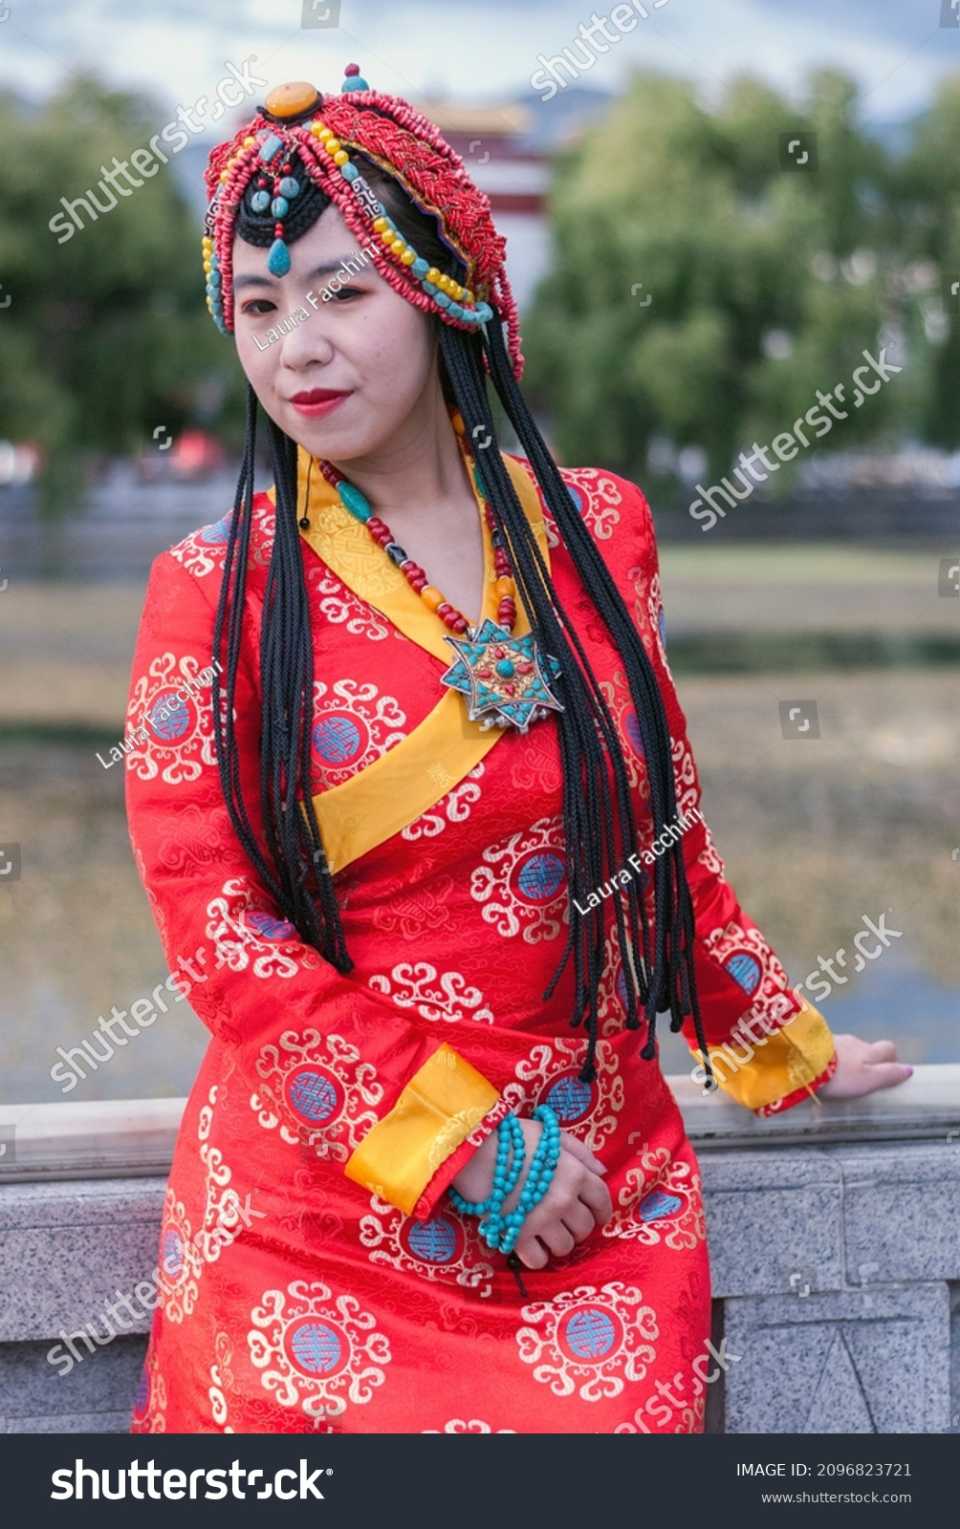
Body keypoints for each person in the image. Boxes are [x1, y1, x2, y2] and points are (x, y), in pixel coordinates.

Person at [124, 68, 912, 1435]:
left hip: (595, 1187)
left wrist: (776, 1034)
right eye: (260, 307)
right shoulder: (213, 589)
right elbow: (219, 933)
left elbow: (654, 828)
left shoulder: (597, 532)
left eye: (340, 292)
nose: (295, 346)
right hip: (324, 1197)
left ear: (447, 289)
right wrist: (470, 1149)